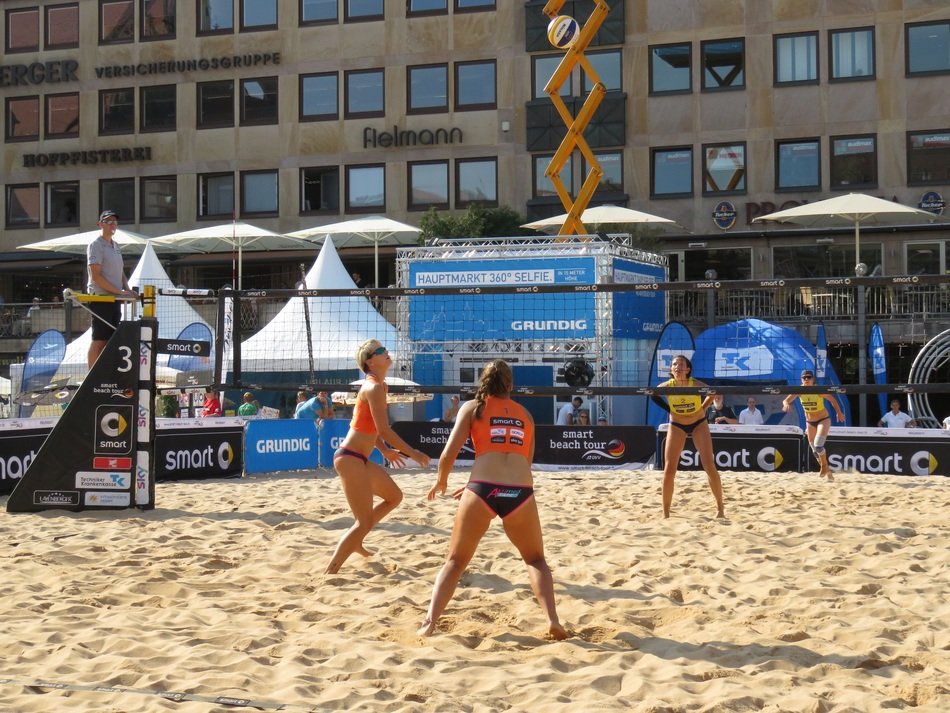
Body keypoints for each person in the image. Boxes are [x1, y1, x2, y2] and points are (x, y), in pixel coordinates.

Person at [417, 359, 567, 640]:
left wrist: (444, 482)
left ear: (482, 382)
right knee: (535, 560)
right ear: (511, 385)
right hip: (519, 492)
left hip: (482, 489)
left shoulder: (474, 408)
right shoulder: (526, 414)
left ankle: (429, 622)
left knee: (455, 562)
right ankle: (552, 620)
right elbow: (527, 461)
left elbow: (449, 454)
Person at [326, 339, 431, 574]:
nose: (387, 353)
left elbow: (371, 429)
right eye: (381, 351)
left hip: (359, 458)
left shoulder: (380, 387)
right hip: (349, 458)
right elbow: (384, 429)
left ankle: (357, 542)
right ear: (370, 361)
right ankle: (330, 572)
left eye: (385, 349)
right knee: (362, 521)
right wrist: (412, 452)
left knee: (394, 497)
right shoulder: (372, 388)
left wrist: (384, 450)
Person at [651, 354, 725, 519]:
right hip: (677, 425)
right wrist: (669, 410)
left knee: (708, 465)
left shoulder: (695, 384)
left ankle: (720, 509)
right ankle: (666, 513)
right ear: (671, 369)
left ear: (688, 369)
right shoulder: (668, 385)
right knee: (669, 469)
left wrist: (703, 408)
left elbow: (712, 393)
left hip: (698, 423)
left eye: (681, 364)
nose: (677, 366)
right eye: (674, 364)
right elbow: (652, 394)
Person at [86, 209, 134, 367]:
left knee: (111, 340)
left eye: (115, 222)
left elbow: (120, 272)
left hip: (115, 298)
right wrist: (120, 292)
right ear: (100, 224)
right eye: (108, 221)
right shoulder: (96, 245)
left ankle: (105, 373)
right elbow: (96, 275)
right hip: (100, 298)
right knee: (99, 339)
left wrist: (127, 289)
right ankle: (91, 378)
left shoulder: (116, 245)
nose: (112, 224)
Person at [782, 370, 845, 480]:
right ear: (801, 380)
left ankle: (824, 466)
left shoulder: (818, 390)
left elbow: (833, 400)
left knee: (818, 445)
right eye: (804, 378)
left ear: (813, 379)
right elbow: (785, 400)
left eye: (809, 377)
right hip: (810, 422)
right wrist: (786, 404)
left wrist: (839, 413)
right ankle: (828, 472)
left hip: (823, 419)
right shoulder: (799, 390)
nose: (806, 379)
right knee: (814, 451)